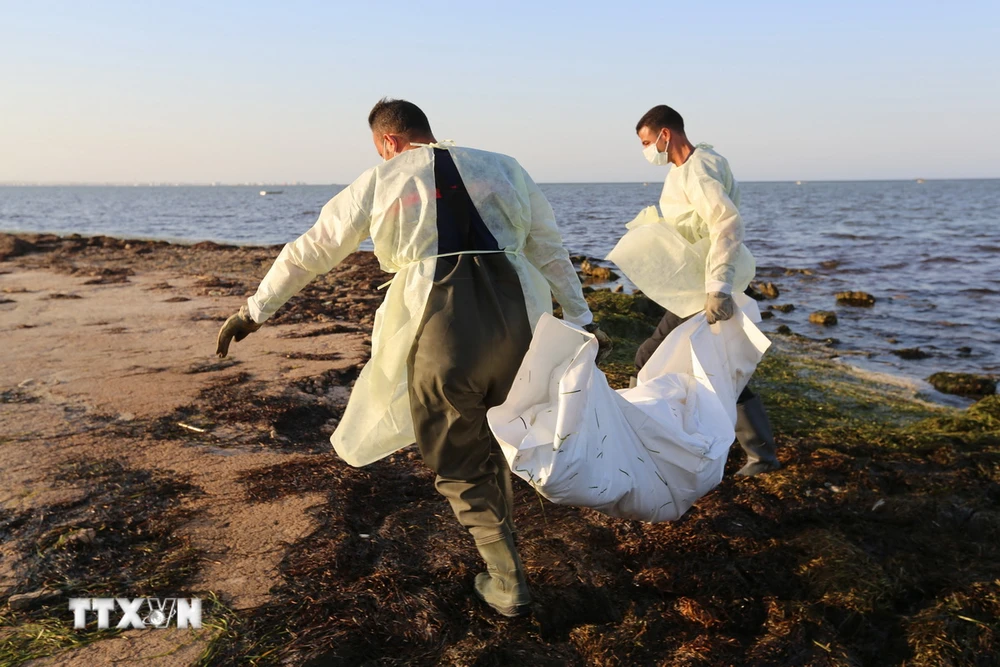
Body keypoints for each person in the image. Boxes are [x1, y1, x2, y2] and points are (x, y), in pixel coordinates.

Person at [215, 99, 611, 617]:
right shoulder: (503, 166)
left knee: (459, 459)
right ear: (427, 130)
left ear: (388, 142)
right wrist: (581, 317)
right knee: (499, 438)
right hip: (522, 323)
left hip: (442, 327)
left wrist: (254, 310)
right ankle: (506, 552)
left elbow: (312, 249)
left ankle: (507, 582)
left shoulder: (382, 179)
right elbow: (550, 247)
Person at [632, 104, 779, 477]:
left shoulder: (699, 171)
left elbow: (726, 224)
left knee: (650, 358)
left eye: (648, 142)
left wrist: (718, 288)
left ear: (666, 134)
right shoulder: (685, 169)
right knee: (717, 367)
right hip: (694, 283)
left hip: (706, 287)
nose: (647, 151)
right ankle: (759, 456)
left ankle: (641, 439)